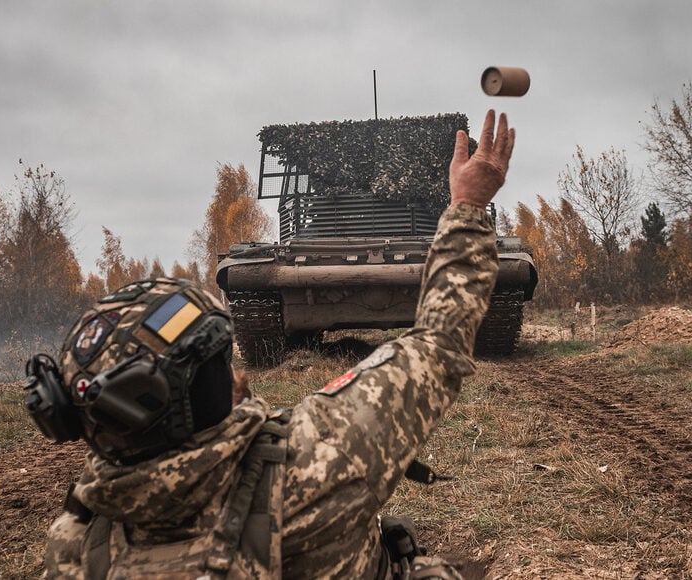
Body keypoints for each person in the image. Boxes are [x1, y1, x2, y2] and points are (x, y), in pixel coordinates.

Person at [26, 109, 515, 579]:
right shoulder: (321, 458)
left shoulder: (73, 541)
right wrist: (468, 204)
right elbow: (439, 342)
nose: (238, 372)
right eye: (221, 358)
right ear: (204, 388)